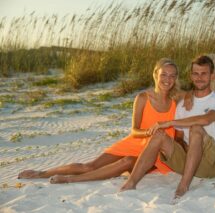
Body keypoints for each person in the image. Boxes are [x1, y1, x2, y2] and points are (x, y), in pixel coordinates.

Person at [18, 58, 182, 184]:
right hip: (135, 142)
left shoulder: (177, 102)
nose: (167, 79)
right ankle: (41, 173)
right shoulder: (142, 98)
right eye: (164, 75)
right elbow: (134, 130)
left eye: (172, 76)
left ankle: (69, 179)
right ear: (155, 75)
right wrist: (148, 131)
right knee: (89, 166)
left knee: (127, 162)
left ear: (176, 79)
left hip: (156, 154)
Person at [120, 55, 215, 199]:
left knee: (195, 129)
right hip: (189, 164)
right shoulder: (182, 104)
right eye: (196, 73)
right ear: (191, 76)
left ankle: (183, 187)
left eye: (204, 73)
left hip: (213, 164)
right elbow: (178, 137)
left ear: (213, 76)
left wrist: (170, 122)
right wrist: (180, 147)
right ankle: (131, 183)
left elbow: (206, 119)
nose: (199, 77)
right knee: (159, 134)